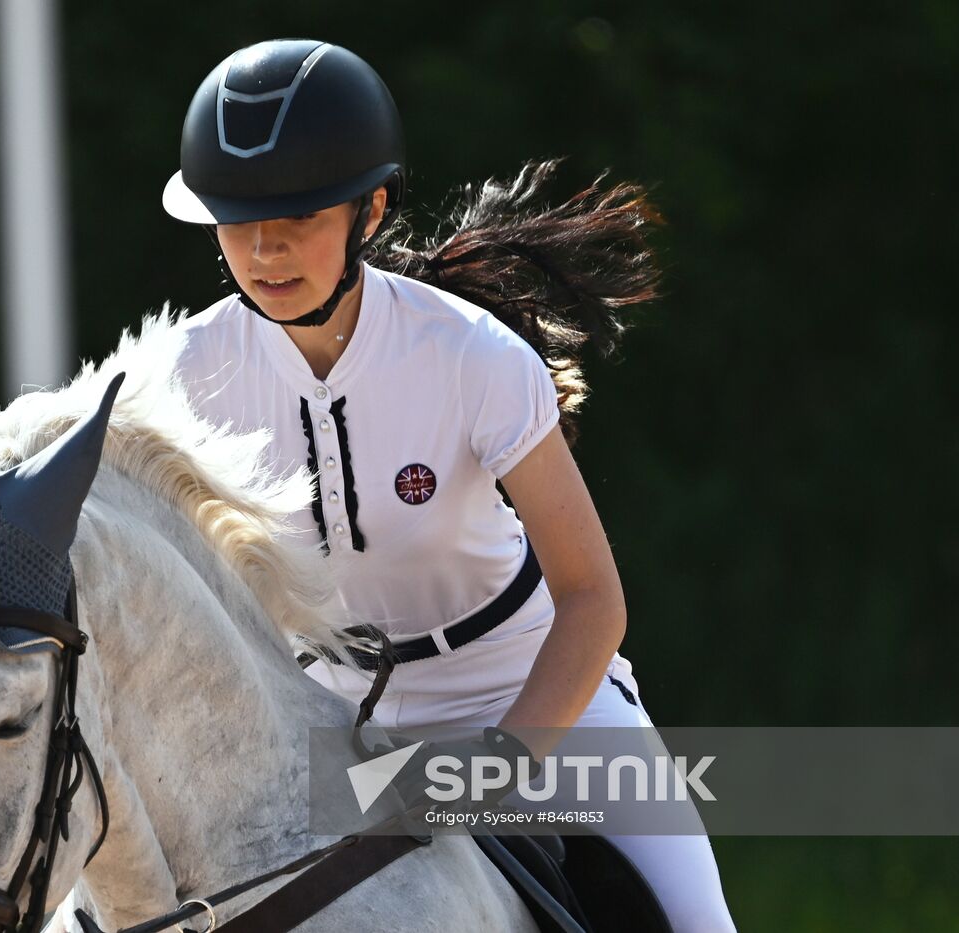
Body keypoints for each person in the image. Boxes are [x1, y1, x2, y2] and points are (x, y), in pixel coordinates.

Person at [163, 39, 736, 932]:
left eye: (301, 218)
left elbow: (592, 599)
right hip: (335, 726)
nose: (266, 251)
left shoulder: (472, 354)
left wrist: (504, 760)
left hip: (535, 697)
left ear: (369, 211)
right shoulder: (185, 375)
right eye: (239, 223)